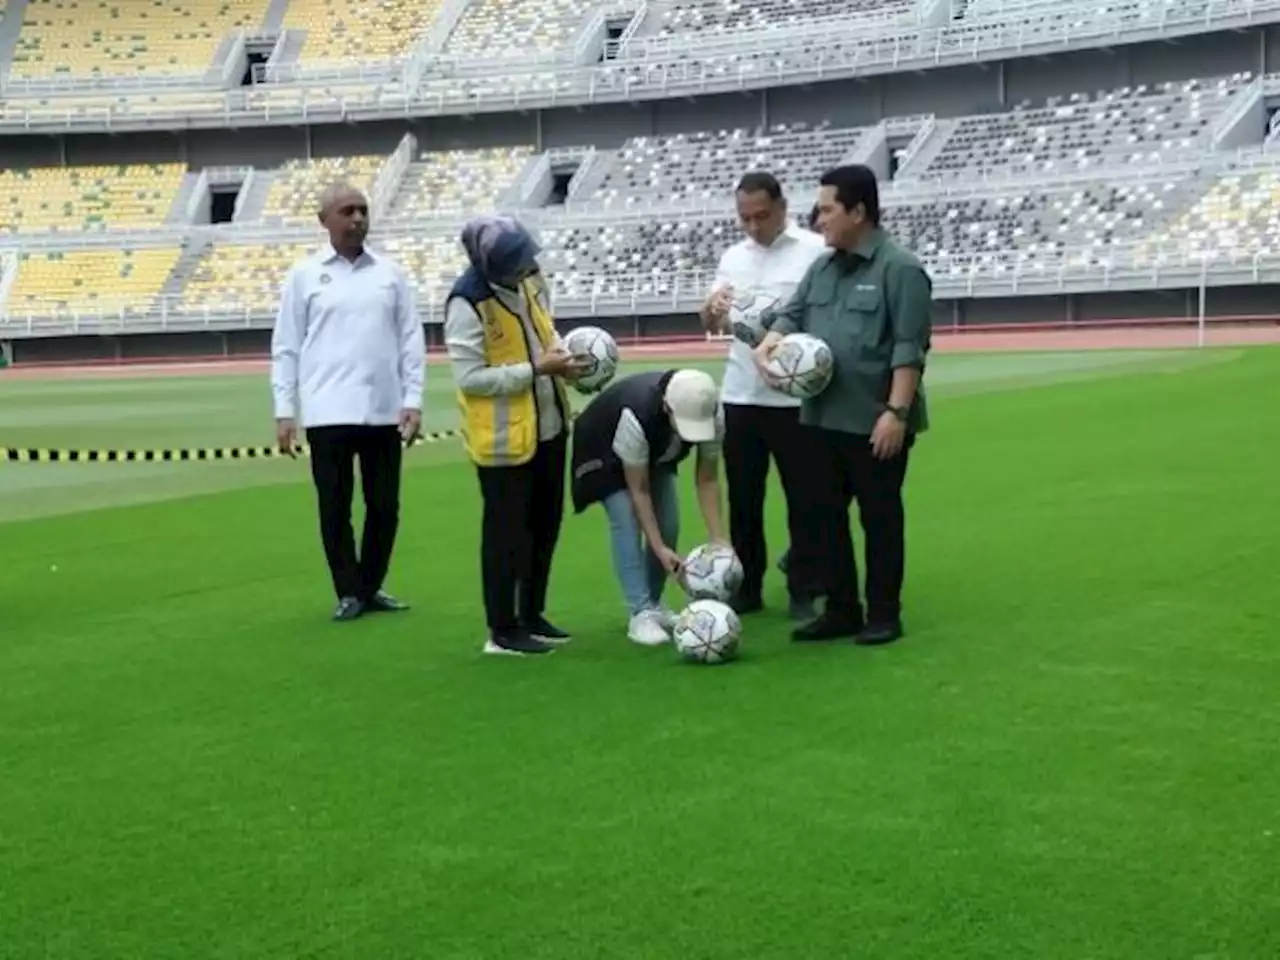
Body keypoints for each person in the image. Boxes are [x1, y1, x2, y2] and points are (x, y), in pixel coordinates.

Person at [755, 164, 933, 645]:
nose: (819, 219)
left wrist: (895, 413)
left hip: (875, 421)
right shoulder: (823, 268)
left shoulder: (901, 270)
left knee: (879, 518)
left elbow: (909, 348)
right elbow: (791, 314)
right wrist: (768, 343)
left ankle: (883, 613)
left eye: (828, 209)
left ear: (858, 212)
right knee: (822, 516)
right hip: (819, 417)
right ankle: (840, 608)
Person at [270, 182, 425, 621]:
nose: (357, 218)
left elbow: (410, 341)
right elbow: (286, 346)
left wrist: (412, 399)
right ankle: (348, 591)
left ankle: (370, 585)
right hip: (327, 409)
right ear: (325, 220)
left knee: (384, 506)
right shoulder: (304, 276)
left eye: (362, 210)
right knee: (335, 506)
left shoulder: (390, 274)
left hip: (382, 408)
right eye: (347, 211)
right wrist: (285, 410)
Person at [444, 215, 589, 656]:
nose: (527, 268)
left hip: (548, 425)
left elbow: (546, 332)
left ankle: (532, 614)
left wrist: (565, 357)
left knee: (545, 527)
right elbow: (469, 378)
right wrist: (535, 370)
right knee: (506, 534)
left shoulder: (529, 283)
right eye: (517, 263)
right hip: (503, 440)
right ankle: (502, 629)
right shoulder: (467, 302)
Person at [697, 171, 827, 619]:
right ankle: (746, 587)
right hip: (741, 395)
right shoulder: (733, 257)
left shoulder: (814, 250)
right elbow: (711, 325)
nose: (753, 226)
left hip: (794, 398)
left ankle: (804, 589)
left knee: (805, 498)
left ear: (782, 208)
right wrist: (710, 312)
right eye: (744, 218)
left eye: (761, 216)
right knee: (745, 500)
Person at [570, 368, 728, 646]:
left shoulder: (712, 411)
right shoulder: (638, 414)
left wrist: (719, 539)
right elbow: (639, 491)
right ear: (668, 407)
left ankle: (655, 604)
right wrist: (658, 547)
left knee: (669, 522)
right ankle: (640, 612)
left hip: (654, 450)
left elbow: (708, 479)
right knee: (626, 517)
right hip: (602, 448)